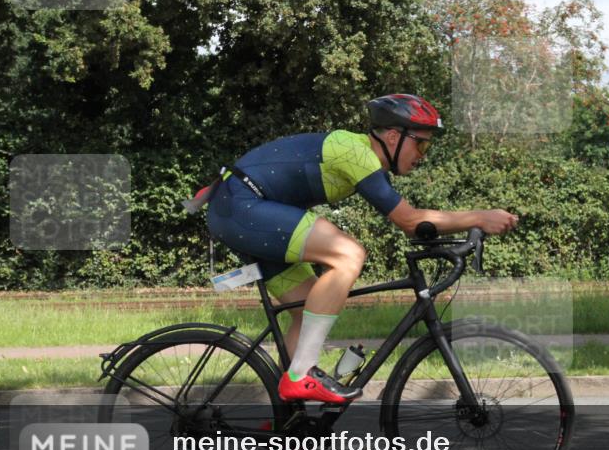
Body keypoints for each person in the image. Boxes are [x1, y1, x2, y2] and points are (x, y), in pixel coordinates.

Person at [200, 94, 518, 403]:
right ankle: (300, 375)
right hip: (240, 206)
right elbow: (409, 220)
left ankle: (290, 430)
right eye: (421, 143)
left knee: (304, 309)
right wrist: (480, 217)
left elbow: (416, 223)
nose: (423, 153)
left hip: (242, 210)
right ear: (393, 136)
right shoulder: (357, 154)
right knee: (348, 254)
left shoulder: (363, 160)